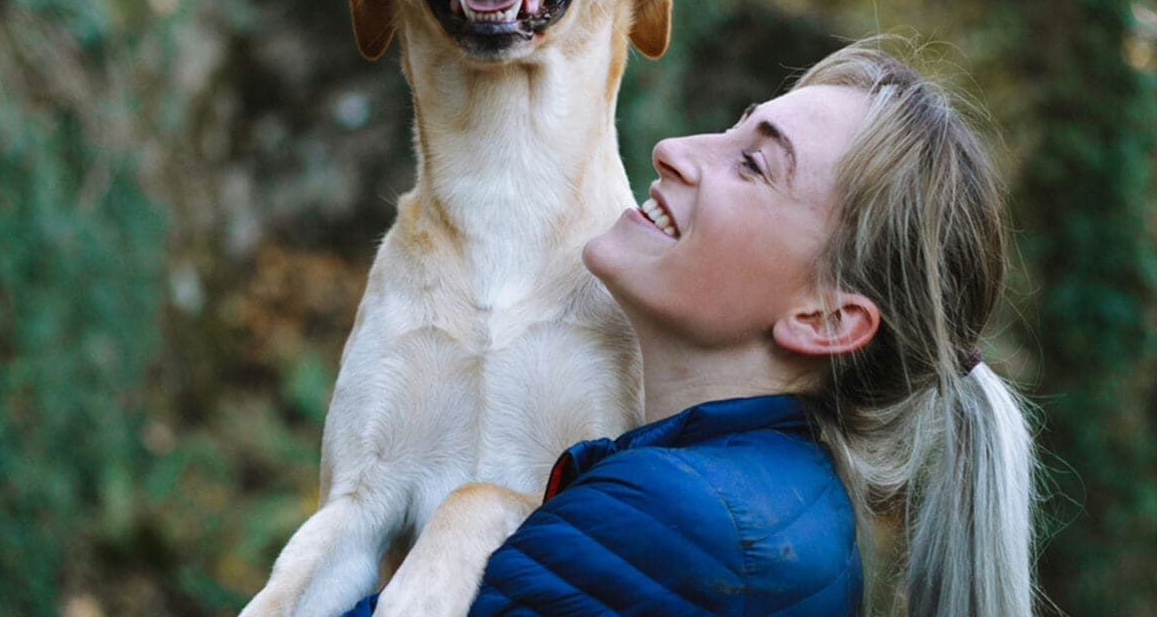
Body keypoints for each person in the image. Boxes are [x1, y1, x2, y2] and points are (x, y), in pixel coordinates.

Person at [343, 43, 1036, 616]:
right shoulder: (765, 503)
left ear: (823, 319)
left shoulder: (680, 524)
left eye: (753, 164)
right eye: (735, 126)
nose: (674, 149)